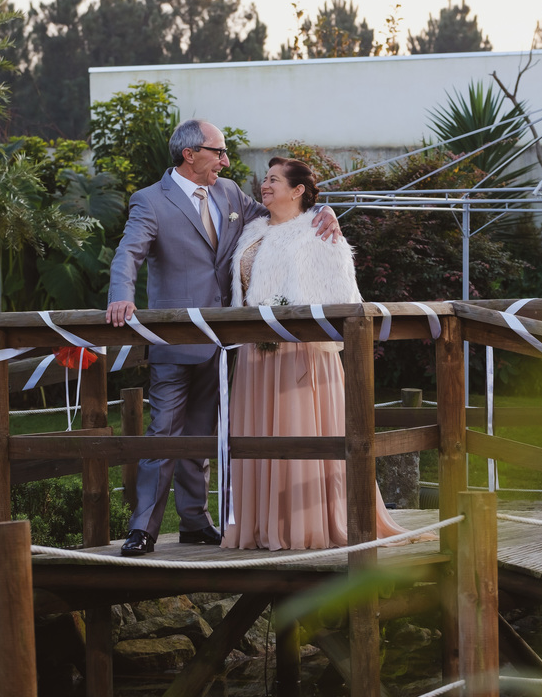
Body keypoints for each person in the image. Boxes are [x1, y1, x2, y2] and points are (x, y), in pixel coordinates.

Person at [106, 121, 338, 556]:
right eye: (220, 152)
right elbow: (128, 254)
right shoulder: (151, 201)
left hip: (224, 344)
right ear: (190, 154)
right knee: (163, 436)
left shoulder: (230, 193)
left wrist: (323, 213)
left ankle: (195, 522)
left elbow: (280, 215)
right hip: (174, 343)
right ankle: (143, 529)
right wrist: (121, 298)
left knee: (204, 436)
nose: (227, 161)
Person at [222, 158, 414, 550]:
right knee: (257, 439)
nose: (265, 185)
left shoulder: (320, 233)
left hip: (301, 356)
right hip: (256, 359)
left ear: (297, 191)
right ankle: (262, 526)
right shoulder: (251, 231)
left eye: (274, 180)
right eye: (265, 179)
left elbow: (343, 298)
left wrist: (297, 326)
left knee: (300, 435)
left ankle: (305, 526)